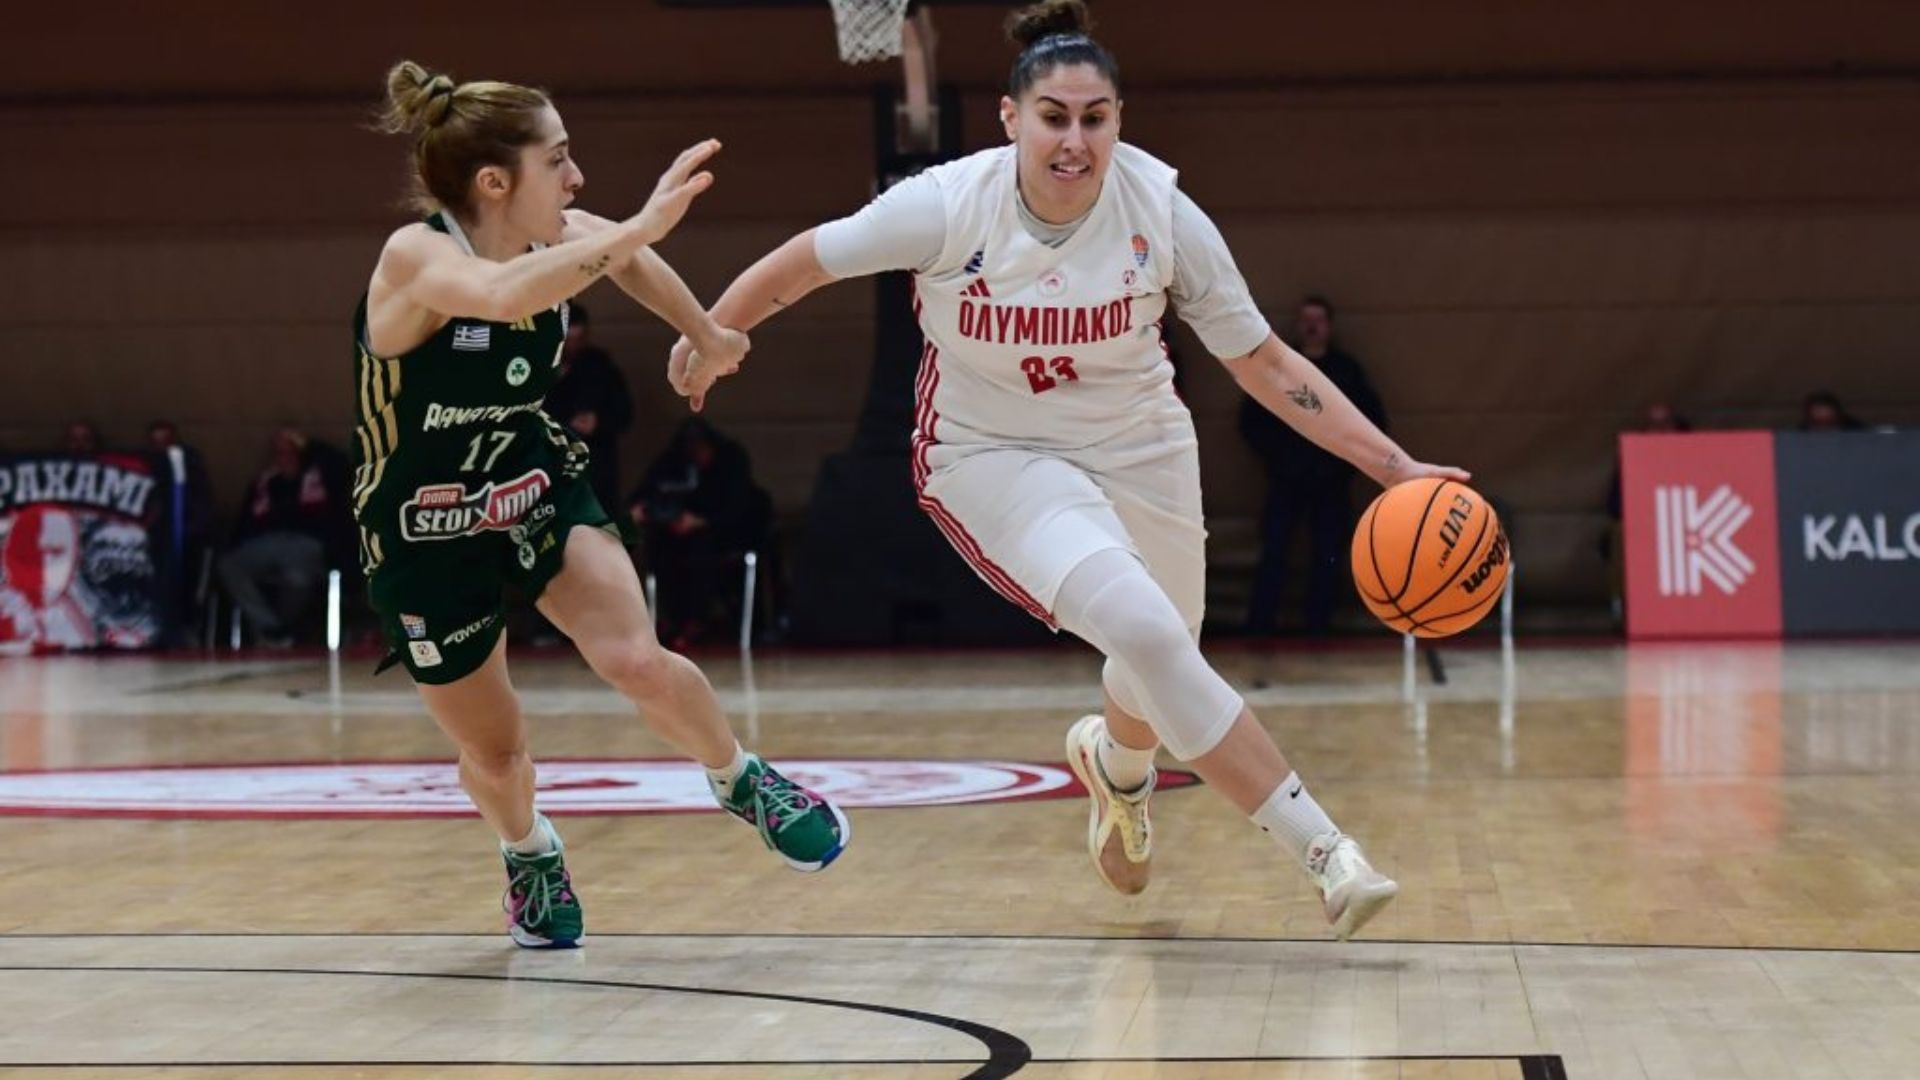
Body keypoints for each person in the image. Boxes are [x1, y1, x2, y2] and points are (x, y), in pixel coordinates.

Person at [671, 0, 1466, 939]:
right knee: (1150, 635)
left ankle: (1119, 770)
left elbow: (1262, 361)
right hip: (991, 454)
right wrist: (712, 332)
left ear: (1121, 119)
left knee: (1162, 653)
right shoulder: (946, 205)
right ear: (1012, 118)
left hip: (1140, 443)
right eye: (1054, 117)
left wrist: (1395, 467)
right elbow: (806, 262)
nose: (1075, 141)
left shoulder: (1161, 211)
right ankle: (1328, 852)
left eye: (1096, 118)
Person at [355, 61, 848, 949]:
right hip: (423, 527)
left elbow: (629, 261)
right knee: (496, 751)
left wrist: (705, 334)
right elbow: (501, 296)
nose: (576, 178)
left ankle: (740, 778)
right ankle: (530, 854)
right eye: (558, 160)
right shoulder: (415, 258)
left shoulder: (563, 235)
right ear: (494, 183)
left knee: (635, 658)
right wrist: (643, 224)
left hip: (528, 481)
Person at [1239, 295, 1385, 636]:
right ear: (1297, 324)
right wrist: (1280, 458)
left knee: (1327, 554)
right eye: (1306, 319)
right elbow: (1250, 422)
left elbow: (1373, 422)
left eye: (1318, 320)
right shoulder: (1278, 368)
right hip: (1286, 478)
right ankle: (1259, 628)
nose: (1312, 326)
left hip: (1330, 480)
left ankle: (1318, 630)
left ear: (1329, 326)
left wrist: (1343, 463)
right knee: (1274, 552)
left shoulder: (1347, 370)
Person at [627, 416, 772, 647]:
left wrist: (701, 522)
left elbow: (738, 509)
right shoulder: (672, 463)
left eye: (702, 448)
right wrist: (642, 510)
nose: (698, 455)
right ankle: (673, 620)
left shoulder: (731, 464)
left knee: (701, 553)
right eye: (692, 449)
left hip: (725, 536)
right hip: (676, 539)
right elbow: (645, 494)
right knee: (661, 550)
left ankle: (696, 620)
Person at [217, 427, 349, 647]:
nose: (284, 458)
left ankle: (277, 632)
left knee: (298, 579)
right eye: (278, 453)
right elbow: (246, 522)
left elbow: (342, 464)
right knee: (228, 566)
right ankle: (272, 628)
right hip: (265, 543)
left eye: (289, 451)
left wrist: (308, 442)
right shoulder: (264, 482)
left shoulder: (320, 476)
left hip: (306, 543)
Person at [544, 303, 635, 515]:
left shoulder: (600, 366)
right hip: (553, 461)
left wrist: (598, 422)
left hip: (596, 462)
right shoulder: (541, 366)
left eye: (579, 339)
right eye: (568, 340)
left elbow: (625, 413)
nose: (573, 346)